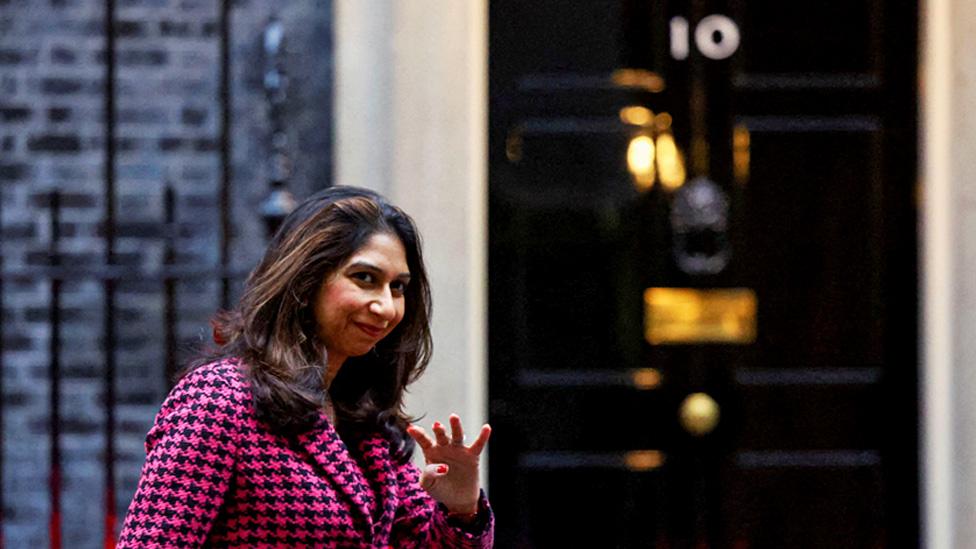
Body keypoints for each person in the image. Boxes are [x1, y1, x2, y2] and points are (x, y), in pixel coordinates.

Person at [117, 186, 494, 547]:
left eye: (398, 287)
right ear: (306, 279)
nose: (386, 306)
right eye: (365, 278)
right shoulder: (221, 397)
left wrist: (460, 508)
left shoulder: (362, 421)